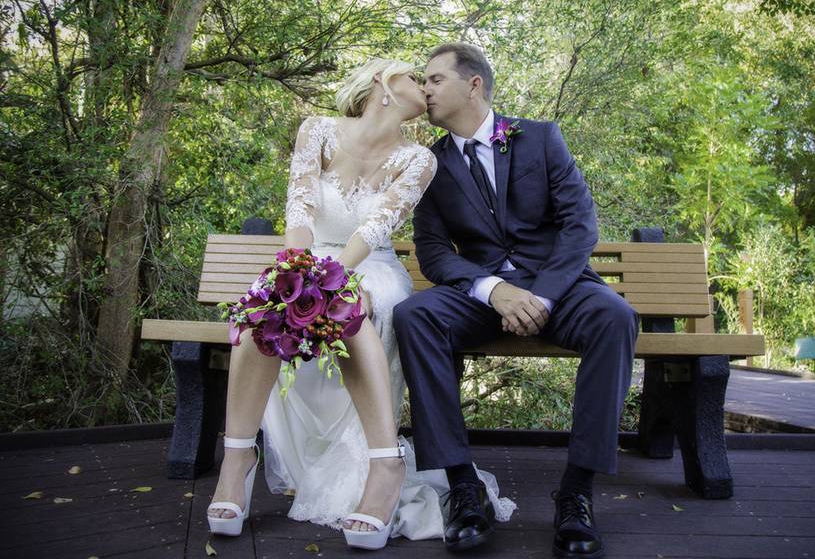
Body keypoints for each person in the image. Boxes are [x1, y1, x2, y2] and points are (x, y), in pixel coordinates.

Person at [206, 57, 515, 549]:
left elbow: (376, 228)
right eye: (415, 76)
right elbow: (300, 205)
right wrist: (298, 270)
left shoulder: (420, 160)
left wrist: (333, 280)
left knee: (351, 306)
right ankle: (238, 459)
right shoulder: (318, 130)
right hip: (310, 254)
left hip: (371, 265)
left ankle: (384, 464)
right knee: (260, 311)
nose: (425, 87)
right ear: (382, 82)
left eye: (431, 79)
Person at [394, 43, 638, 557]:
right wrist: (494, 290)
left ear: (474, 84)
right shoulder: (428, 165)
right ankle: (463, 485)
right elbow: (434, 252)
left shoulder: (541, 138)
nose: (426, 90)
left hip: (560, 289)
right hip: (482, 295)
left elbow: (579, 227)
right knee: (414, 315)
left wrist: (542, 296)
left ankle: (576, 494)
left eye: (435, 79)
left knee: (616, 317)